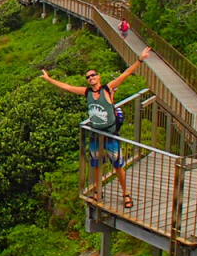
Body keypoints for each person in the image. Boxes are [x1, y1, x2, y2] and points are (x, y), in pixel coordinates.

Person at [41, 46, 153, 209]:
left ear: (98, 77)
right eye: (88, 77)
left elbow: (126, 74)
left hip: (110, 135)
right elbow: (67, 87)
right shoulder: (86, 93)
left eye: (93, 75)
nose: (91, 78)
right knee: (97, 165)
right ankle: (98, 191)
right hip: (95, 135)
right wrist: (49, 79)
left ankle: (126, 193)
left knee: (117, 166)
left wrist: (140, 60)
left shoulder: (107, 89)